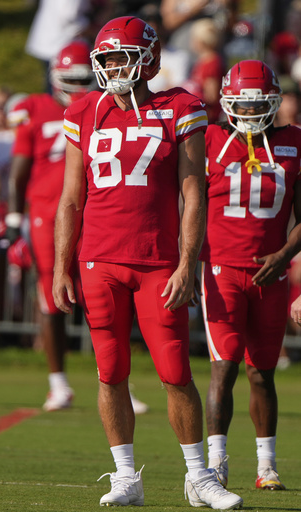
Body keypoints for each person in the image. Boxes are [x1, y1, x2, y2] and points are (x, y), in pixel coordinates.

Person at [52, 16, 243, 509]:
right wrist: (60, 266)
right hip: (99, 259)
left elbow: (193, 192)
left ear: (149, 60)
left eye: (123, 56)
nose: (114, 66)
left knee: (175, 370)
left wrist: (186, 263)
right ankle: (124, 478)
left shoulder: (179, 107)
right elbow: (71, 198)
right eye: (108, 58)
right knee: (109, 370)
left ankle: (199, 477)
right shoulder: (83, 111)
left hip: (157, 261)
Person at [199, 60, 301, 491]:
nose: (248, 110)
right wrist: (186, 264)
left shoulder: (294, 142)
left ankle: (266, 465)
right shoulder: (211, 139)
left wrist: (283, 255)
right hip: (222, 270)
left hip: (272, 274)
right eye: (240, 103)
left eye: (257, 103)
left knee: (262, 371)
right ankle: (216, 463)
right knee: (224, 368)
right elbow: (188, 203)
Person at [6, 40, 96, 411]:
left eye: (83, 78)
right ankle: (58, 382)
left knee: (103, 293)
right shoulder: (34, 109)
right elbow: (18, 172)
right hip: (46, 213)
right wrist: (13, 219)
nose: (76, 86)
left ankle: (117, 380)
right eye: (70, 78)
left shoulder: (101, 108)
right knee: (51, 294)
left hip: (92, 210)